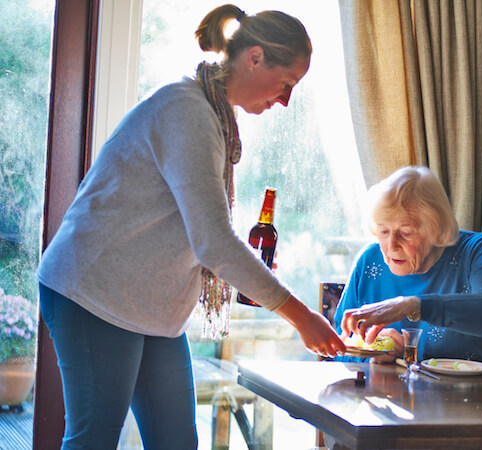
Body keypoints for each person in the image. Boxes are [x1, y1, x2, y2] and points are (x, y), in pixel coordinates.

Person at [36, 5, 344, 448]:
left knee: (177, 442)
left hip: (149, 307)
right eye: (287, 82)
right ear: (255, 57)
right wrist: (300, 317)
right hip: (95, 292)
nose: (285, 99)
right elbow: (214, 240)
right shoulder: (188, 111)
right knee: (94, 440)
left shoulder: (215, 117)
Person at [334, 166, 482, 365]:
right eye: (383, 231)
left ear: (436, 229)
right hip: (384, 395)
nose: (391, 245)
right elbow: (339, 347)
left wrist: (411, 305)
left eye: (406, 233)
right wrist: (371, 353)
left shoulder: (477, 250)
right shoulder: (369, 260)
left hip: (465, 393)